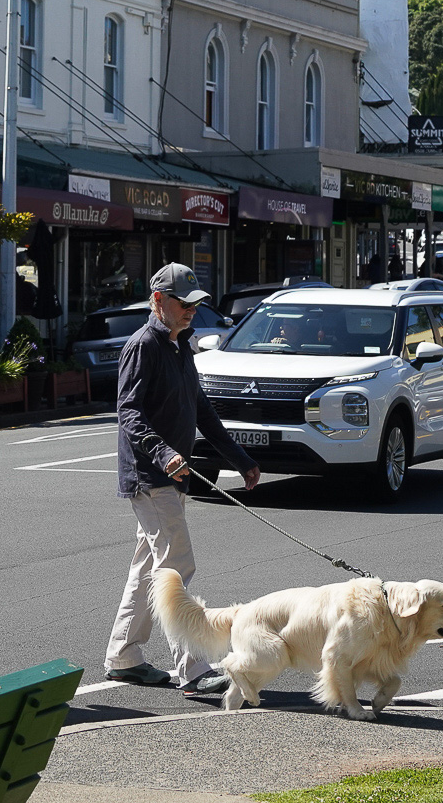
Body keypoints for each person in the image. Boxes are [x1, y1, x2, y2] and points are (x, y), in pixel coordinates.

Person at [105, 264, 261, 694]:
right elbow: (128, 411)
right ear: (158, 301)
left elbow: (201, 410)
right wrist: (164, 453)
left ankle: (124, 656)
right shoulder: (144, 345)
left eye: (196, 304)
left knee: (150, 570)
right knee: (176, 567)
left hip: (169, 476)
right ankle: (192, 671)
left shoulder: (180, 345)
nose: (192, 310)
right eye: (183, 303)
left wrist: (240, 459)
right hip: (150, 476)